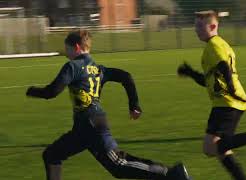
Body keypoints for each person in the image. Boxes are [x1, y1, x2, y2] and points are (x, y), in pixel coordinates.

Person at [26, 30, 190, 180]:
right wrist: (134, 105)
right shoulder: (98, 69)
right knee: (51, 155)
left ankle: (171, 173)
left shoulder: (73, 66)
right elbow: (126, 76)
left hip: (91, 126)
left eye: (67, 49)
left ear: (76, 47)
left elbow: (52, 92)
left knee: (119, 165)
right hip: (85, 127)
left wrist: (32, 91)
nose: (66, 53)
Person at [177, 10, 246, 180]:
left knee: (210, 148)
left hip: (226, 102)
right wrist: (190, 72)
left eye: (200, 26)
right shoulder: (219, 44)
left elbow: (224, 66)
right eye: (195, 26)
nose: (196, 29)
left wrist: (231, 91)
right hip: (229, 102)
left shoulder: (214, 45)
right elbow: (208, 80)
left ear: (213, 26)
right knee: (222, 150)